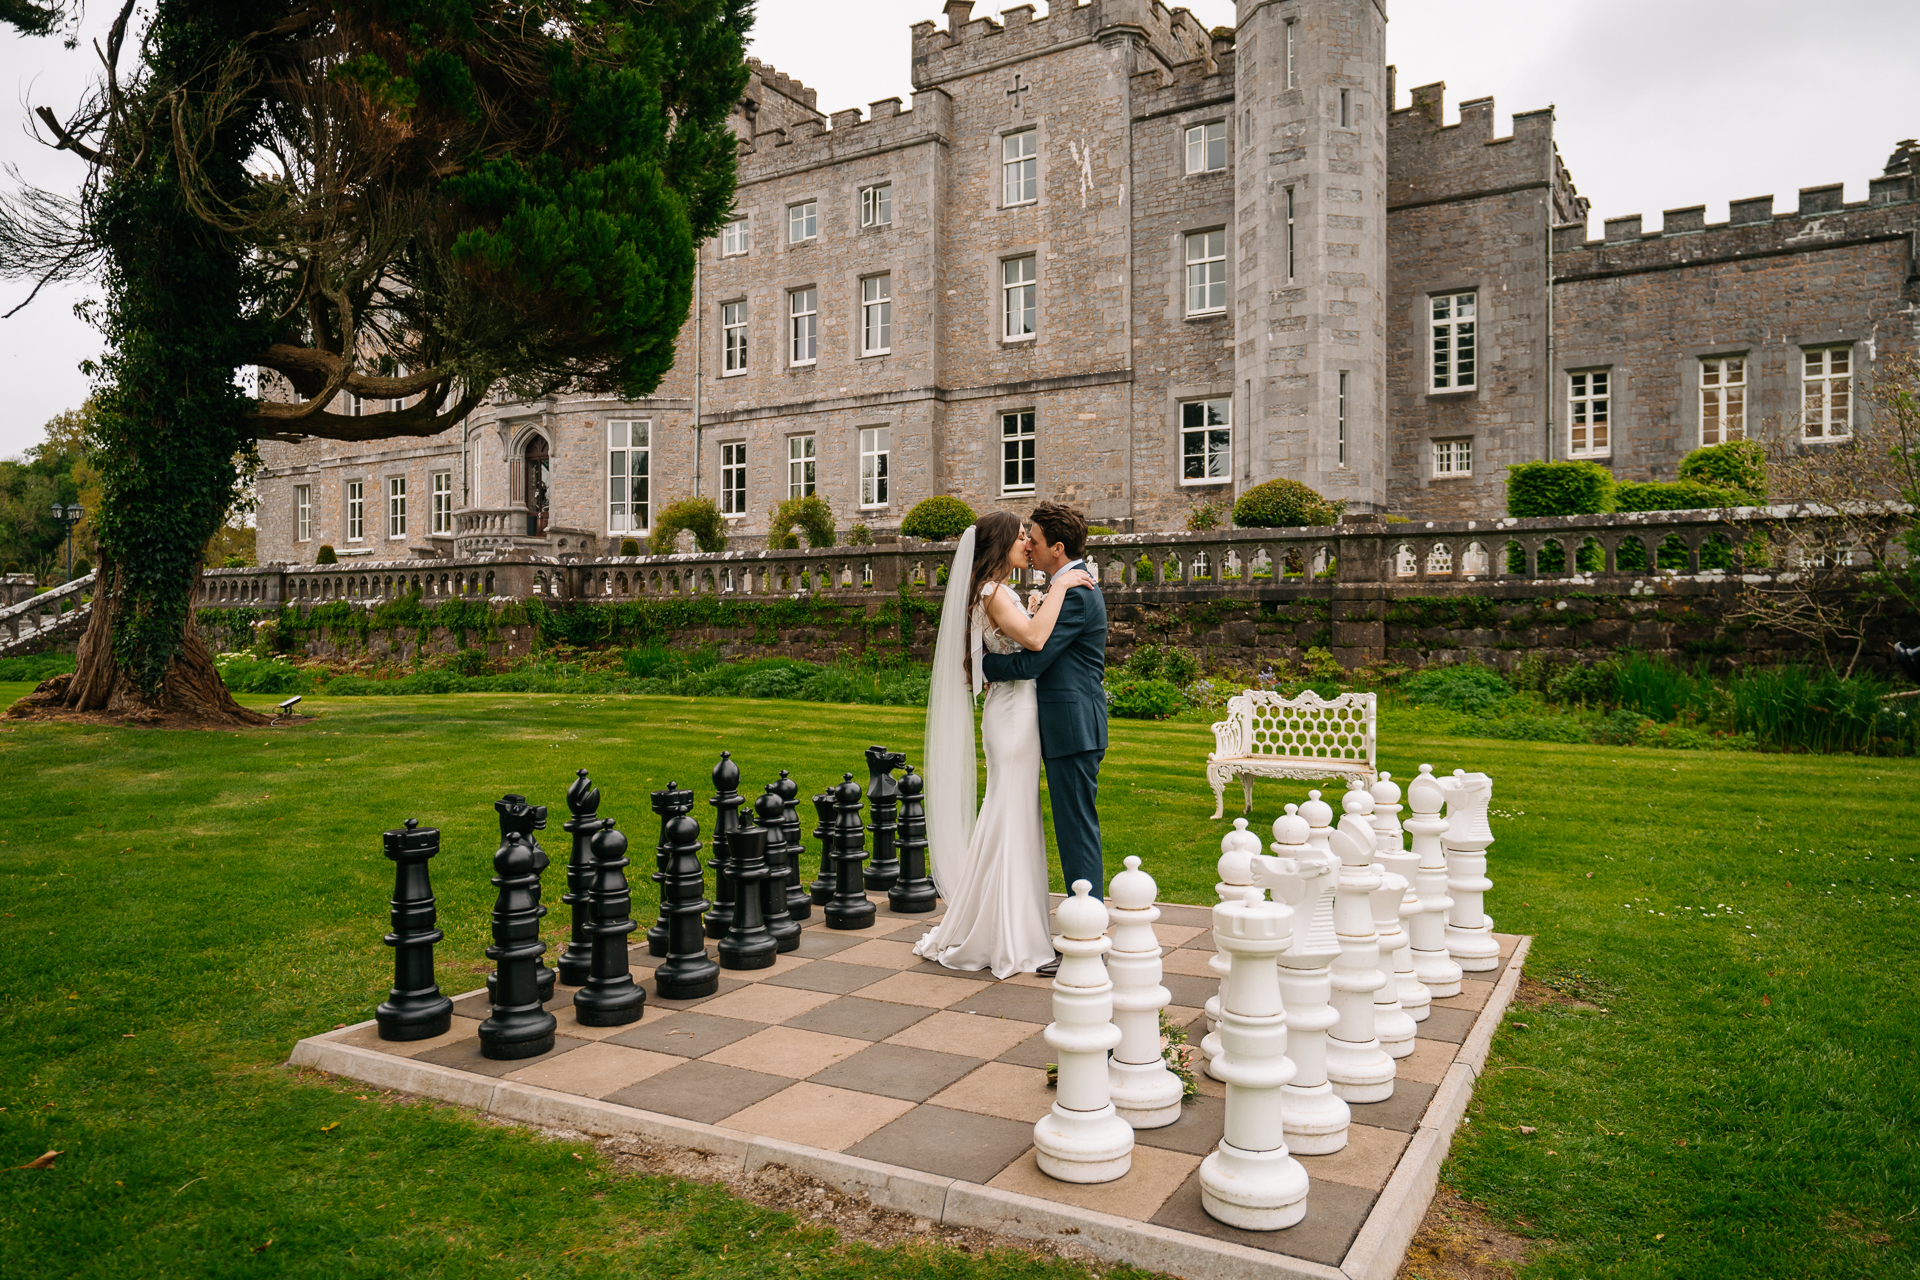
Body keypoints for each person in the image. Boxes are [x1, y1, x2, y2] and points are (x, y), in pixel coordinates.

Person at [917, 510, 1095, 978]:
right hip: (1014, 717)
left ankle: (1011, 924)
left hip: (1018, 712)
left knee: (1014, 814)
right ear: (1000, 545)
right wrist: (1057, 589)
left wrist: (1038, 603)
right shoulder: (995, 592)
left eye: (1030, 537)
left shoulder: (999, 592)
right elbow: (1035, 641)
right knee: (1011, 812)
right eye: (1020, 537)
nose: (1027, 544)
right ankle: (1012, 934)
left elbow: (1021, 639)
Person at [979, 503, 1107, 976]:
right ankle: (1080, 928)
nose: (1027, 544)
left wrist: (985, 666)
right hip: (1065, 724)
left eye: (1032, 537)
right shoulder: (1063, 586)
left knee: (1077, 832)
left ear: (1057, 548)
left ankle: (1086, 937)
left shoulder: (1073, 592)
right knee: (1074, 829)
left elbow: (1033, 661)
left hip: (1072, 727)